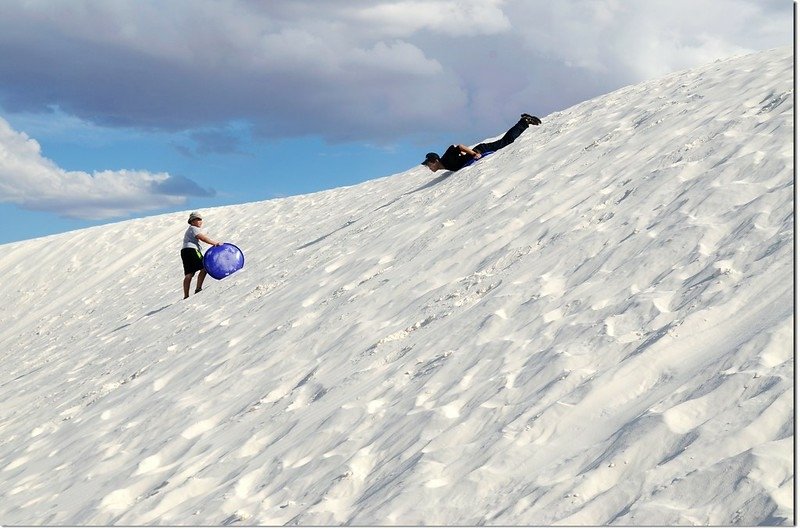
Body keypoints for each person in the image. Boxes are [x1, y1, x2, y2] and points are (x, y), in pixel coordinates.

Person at [422, 113, 542, 172]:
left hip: (481, 150)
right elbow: (459, 155)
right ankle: (524, 121)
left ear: (435, 161)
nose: (429, 167)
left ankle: (524, 121)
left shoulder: (445, 160)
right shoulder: (445, 165)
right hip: (478, 150)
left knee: (507, 141)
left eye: (428, 164)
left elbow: (458, 146)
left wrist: (473, 154)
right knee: (505, 141)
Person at [181, 211, 222, 299]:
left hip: (184, 251)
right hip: (192, 250)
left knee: (189, 274)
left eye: (200, 219)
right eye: (197, 219)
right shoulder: (193, 228)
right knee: (204, 267)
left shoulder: (190, 229)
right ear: (192, 221)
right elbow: (202, 238)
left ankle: (186, 296)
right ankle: (198, 288)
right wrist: (215, 243)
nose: (200, 221)